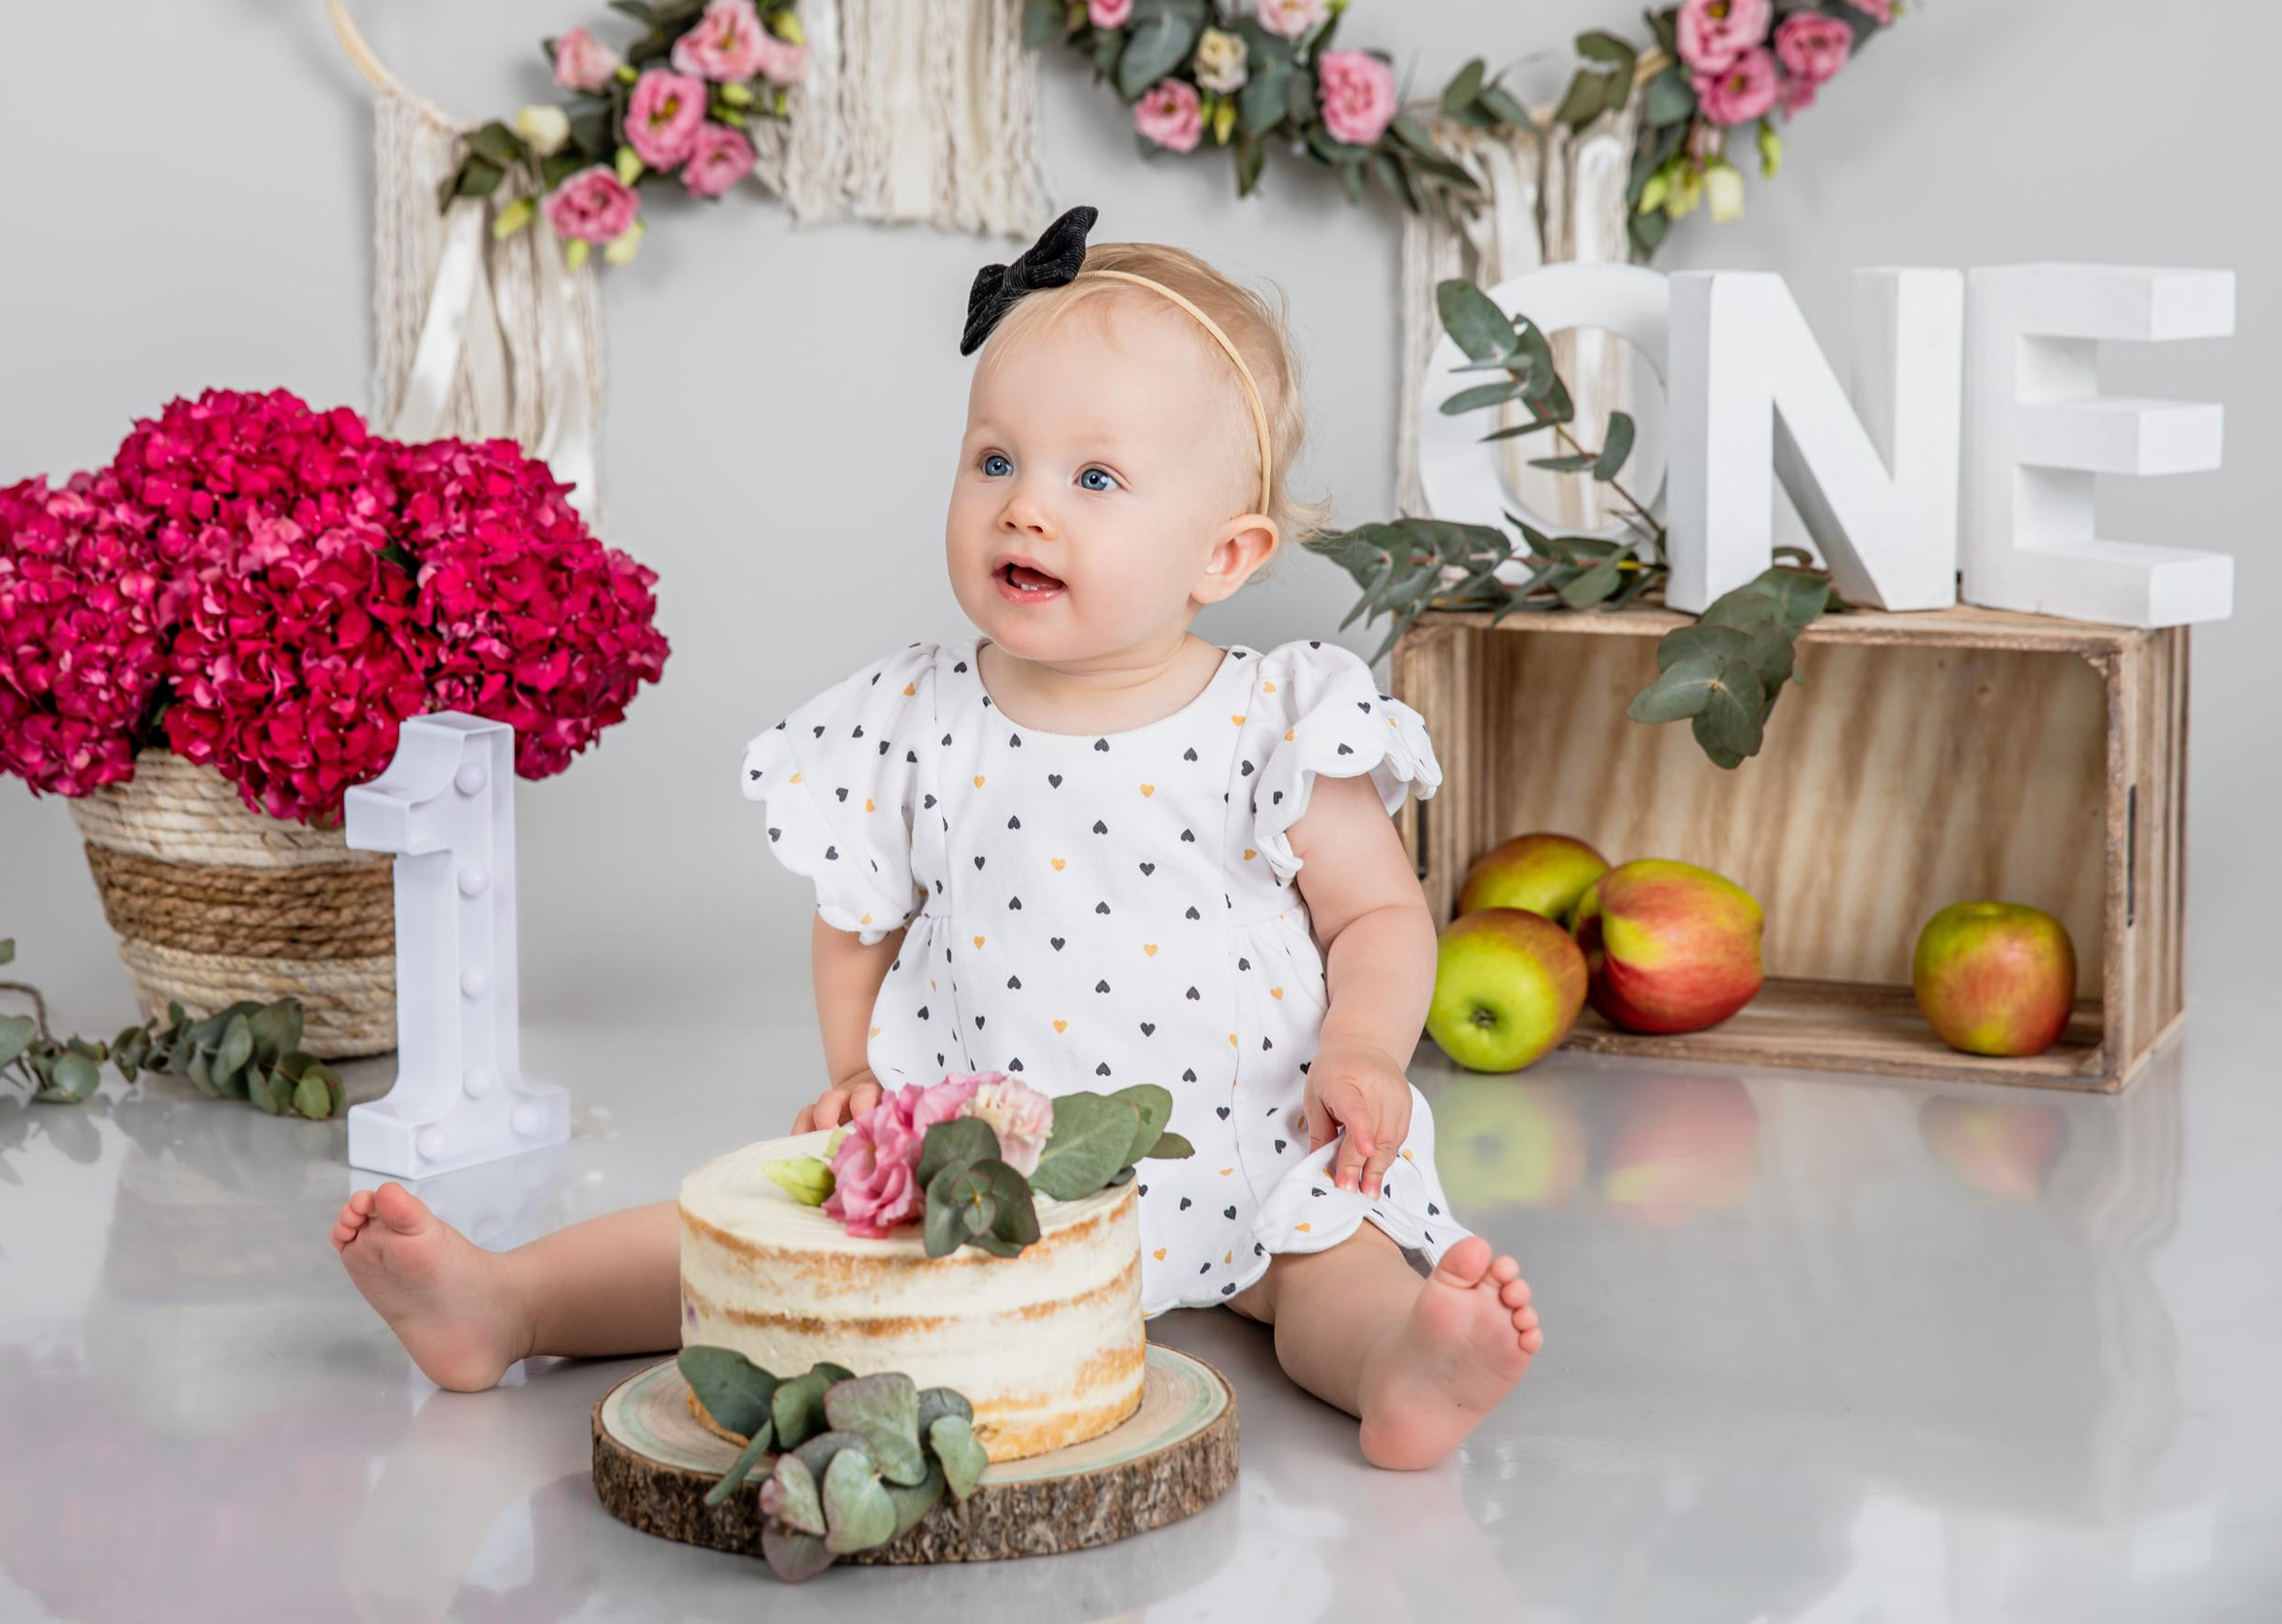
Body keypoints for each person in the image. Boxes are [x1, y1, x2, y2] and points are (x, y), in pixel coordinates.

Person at [333, 207, 1540, 1470]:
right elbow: (860, 911)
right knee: (759, 1235)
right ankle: (511, 1302)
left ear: (1223, 553)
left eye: (1094, 479)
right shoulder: (913, 715)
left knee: (1323, 1271)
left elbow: (1381, 916)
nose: (1026, 510)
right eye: (995, 461)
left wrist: (1361, 1052)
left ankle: (1406, 1364)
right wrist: (853, 1067)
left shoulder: (1273, 720)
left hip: (1245, 1140)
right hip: (976, 1158)